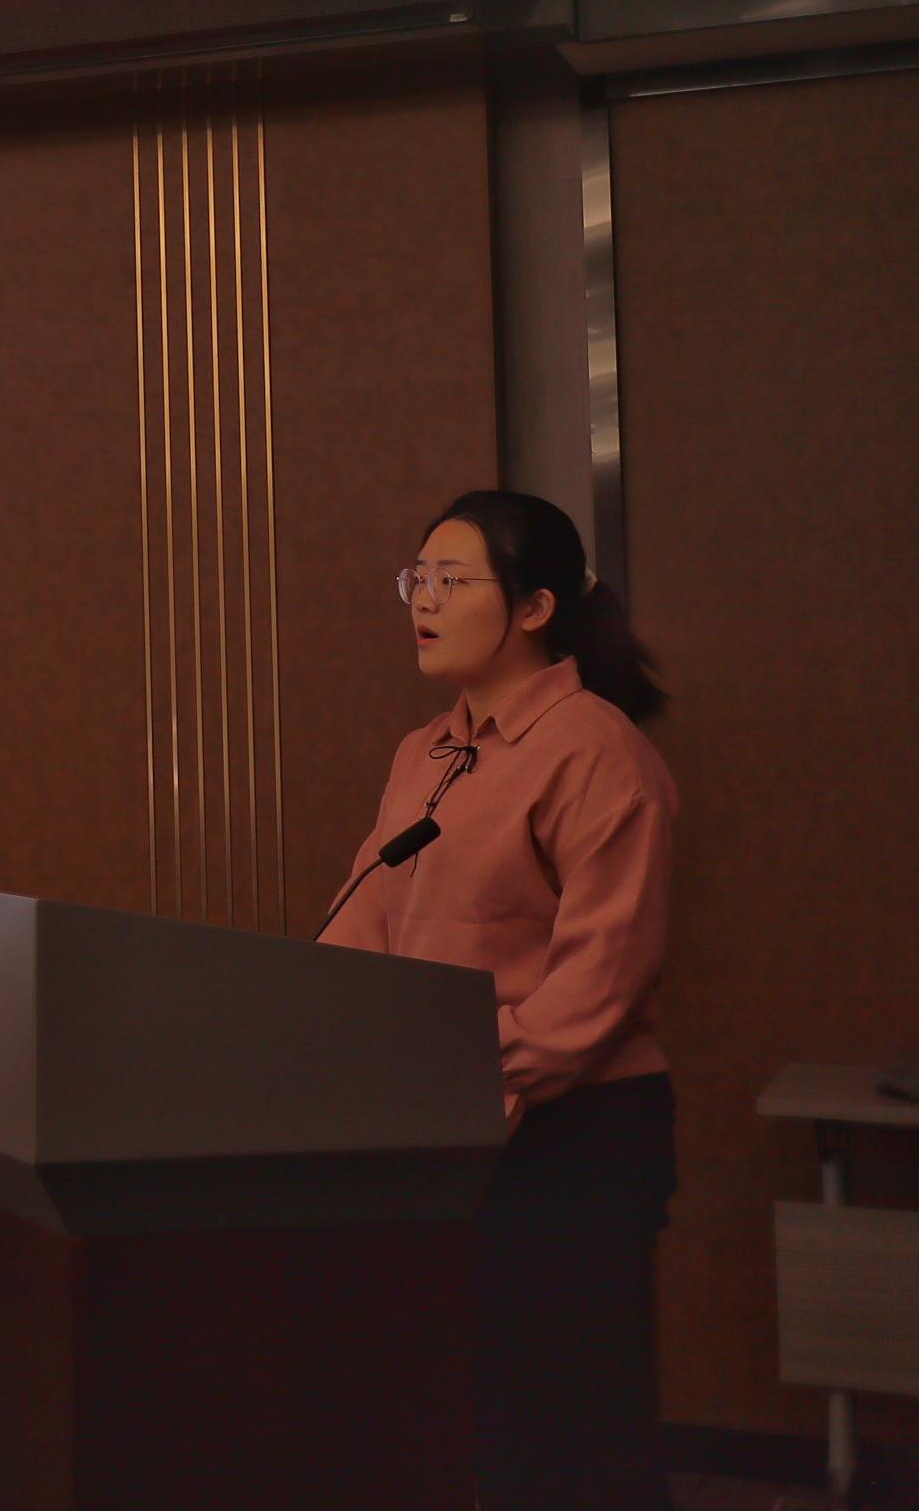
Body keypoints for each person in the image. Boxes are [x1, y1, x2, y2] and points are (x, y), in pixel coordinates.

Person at [319, 490, 676, 1511]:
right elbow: (362, 926)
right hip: (448, 1130)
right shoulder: (425, 751)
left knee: (570, 1443)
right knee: (462, 1423)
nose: (423, 601)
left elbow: (598, 985)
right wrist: (309, 1030)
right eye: (416, 579)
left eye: (451, 580)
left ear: (533, 607)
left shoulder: (596, 749)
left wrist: (447, 1077)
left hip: (575, 1136)